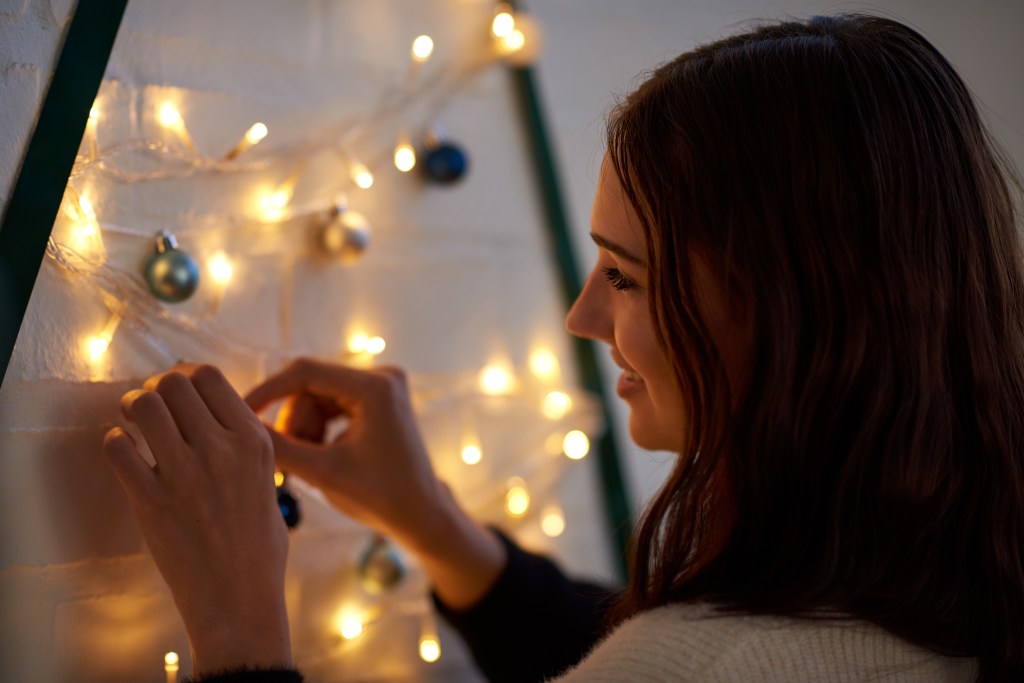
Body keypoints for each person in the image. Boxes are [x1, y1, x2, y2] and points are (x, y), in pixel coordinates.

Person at [101, 14, 1024, 682]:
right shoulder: (944, 581)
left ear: (786, 307)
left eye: (623, 275)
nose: (582, 316)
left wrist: (240, 633)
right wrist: (436, 527)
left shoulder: (714, 661)